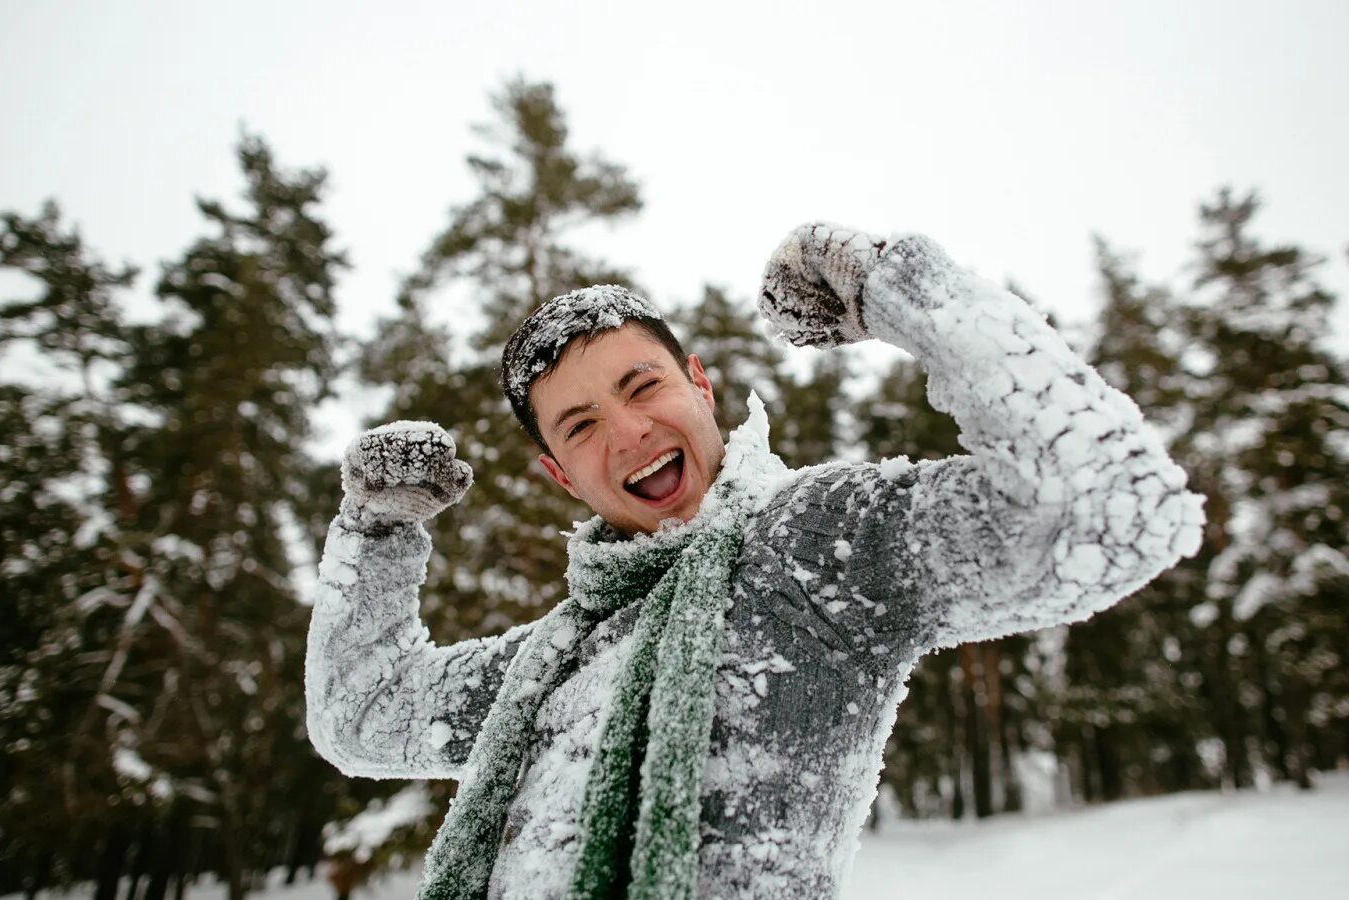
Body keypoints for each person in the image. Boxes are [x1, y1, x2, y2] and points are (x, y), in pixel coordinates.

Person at [305, 224, 1206, 899]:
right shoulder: (553, 660)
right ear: (560, 476)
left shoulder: (818, 546)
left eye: (642, 385)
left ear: (700, 383)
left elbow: (1112, 509)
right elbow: (362, 714)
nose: (629, 433)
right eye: (580, 426)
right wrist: (377, 534)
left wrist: (895, 290)